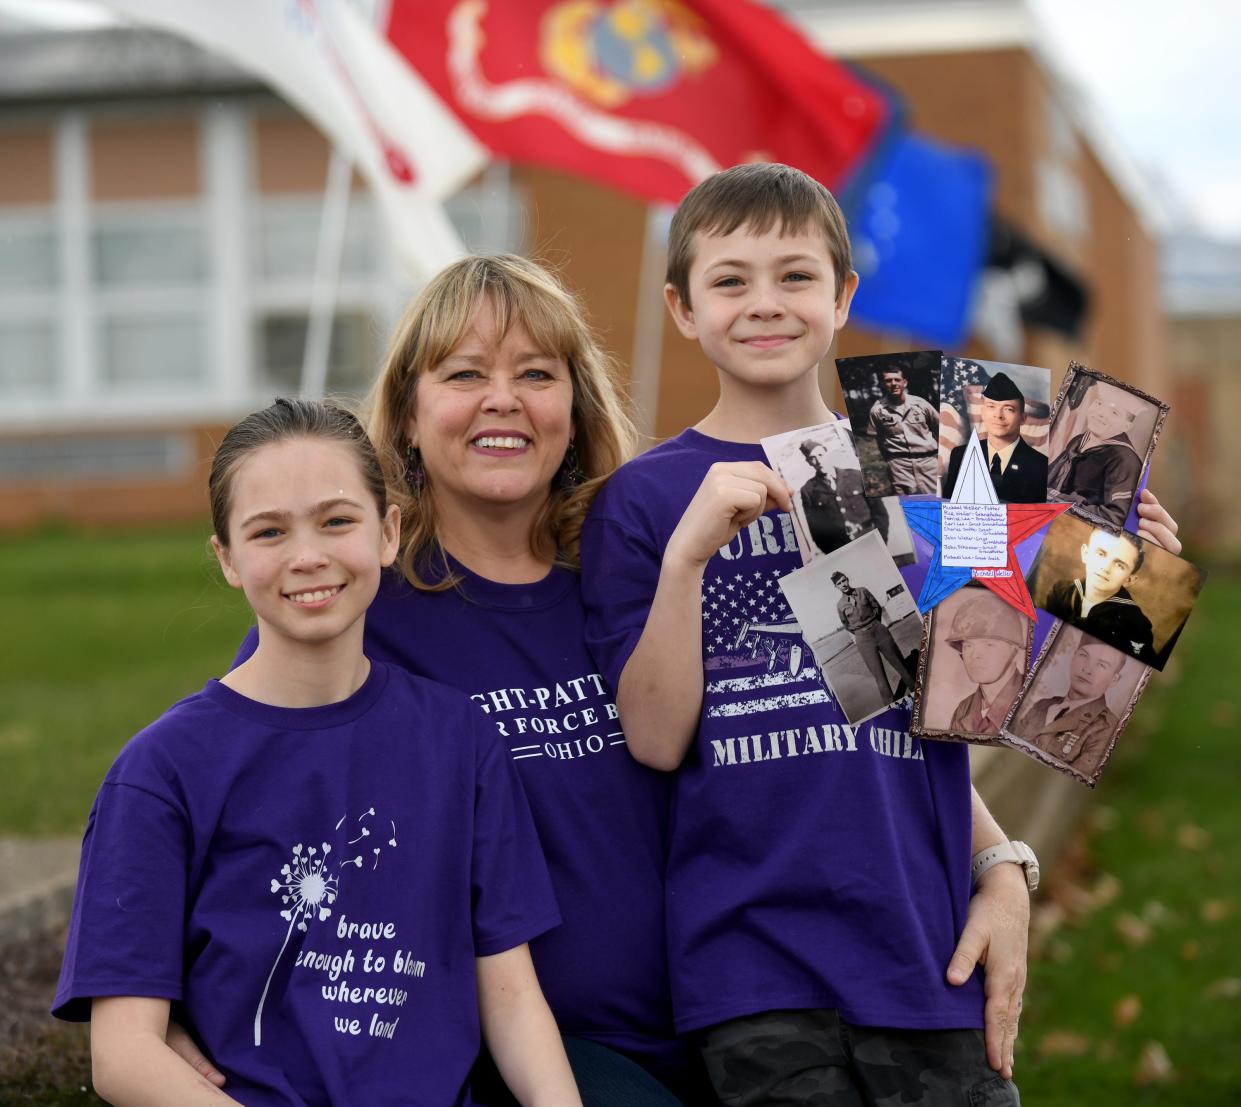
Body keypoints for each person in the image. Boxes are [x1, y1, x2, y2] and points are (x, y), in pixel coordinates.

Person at [580, 161, 1029, 1106]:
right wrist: (686, 561)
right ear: (681, 308)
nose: (764, 303)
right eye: (729, 280)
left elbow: (961, 698)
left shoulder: (919, 472)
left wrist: (1111, 563)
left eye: (794, 275)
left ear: (842, 296)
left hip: (925, 943)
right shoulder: (644, 499)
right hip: (751, 965)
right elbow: (655, 739)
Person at [223, 257, 698, 1106]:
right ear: (407, 415)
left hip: (728, 1011)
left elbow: (812, 715)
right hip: (523, 1056)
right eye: (465, 373)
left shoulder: (644, 579)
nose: (502, 399)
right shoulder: (357, 610)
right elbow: (221, 806)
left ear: (574, 408)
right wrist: (178, 1019)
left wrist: (994, 859)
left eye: (536, 374)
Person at [53, 399, 579, 1106]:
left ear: (388, 532)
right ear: (227, 558)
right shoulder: (161, 771)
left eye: (337, 520)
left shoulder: (459, 739)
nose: (308, 556)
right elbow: (124, 1054)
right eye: (268, 531)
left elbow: (512, 1001)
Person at [1044, 525, 1158, 665]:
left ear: (1129, 579)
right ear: (1085, 554)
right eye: (1101, 554)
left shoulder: (1135, 625)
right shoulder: (1061, 592)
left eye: (1119, 565)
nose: (1105, 568)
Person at [1012, 632, 1126, 770]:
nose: (1087, 669)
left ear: (1114, 679)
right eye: (1083, 656)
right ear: (1073, 657)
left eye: (1101, 665)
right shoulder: (1042, 706)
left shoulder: (1107, 730)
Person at [1047, 379, 1145, 524]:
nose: (1101, 414)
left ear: (1126, 426)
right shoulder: (1079, 440)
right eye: (1099, 403)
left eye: (1114, 412)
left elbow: (1115, 518)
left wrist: (1061, 502)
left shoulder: (1125, 460)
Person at [941, 371, 1048, 503]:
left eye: (1008, 409)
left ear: (1023, 418)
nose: (998, 415)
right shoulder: (960, 455)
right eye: (991, 406)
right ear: (983, 412)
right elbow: (947, 507)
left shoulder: (1041, 466)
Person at [943, 591, 1028, 736]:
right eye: (968, 645)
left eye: (988, 644)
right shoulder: (964, 710)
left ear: (1014, 650)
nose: (975, 655)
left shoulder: (1031, 704)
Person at [831, 569, 914, 702]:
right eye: (840, 583)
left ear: (848, 579)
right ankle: (890, 704)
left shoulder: (863, 591)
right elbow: (846, 624)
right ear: (836, 587)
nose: (843, 584)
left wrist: (875, 624)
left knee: (900, 664)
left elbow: (877, 608)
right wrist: (861, 631)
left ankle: (915, 689)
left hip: (879, 631)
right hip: (863, 640)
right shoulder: (840, 605)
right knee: (879, 675)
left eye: (844, 580)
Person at [797, 438, 888, 554]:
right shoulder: (808, 491)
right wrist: (836, 554)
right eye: (812, 458)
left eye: (820, 455)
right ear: (809, 462)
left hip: (871, 540)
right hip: (842, 550)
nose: (818, 461)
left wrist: (881, 540)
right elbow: (817, 532)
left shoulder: (857, 476)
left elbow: (880, 513)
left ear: (827, 453)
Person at [866, 364, 940, 494]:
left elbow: (941, 429)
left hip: (928, 463)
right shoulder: (877, 410)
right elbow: (880, 439)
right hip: (899, 466)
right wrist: (891, 461)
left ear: (904, 382)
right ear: (883, 384)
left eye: (897, 380)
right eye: (888, 381)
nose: (893, 384)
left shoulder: (921, 404)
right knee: (907, 507)